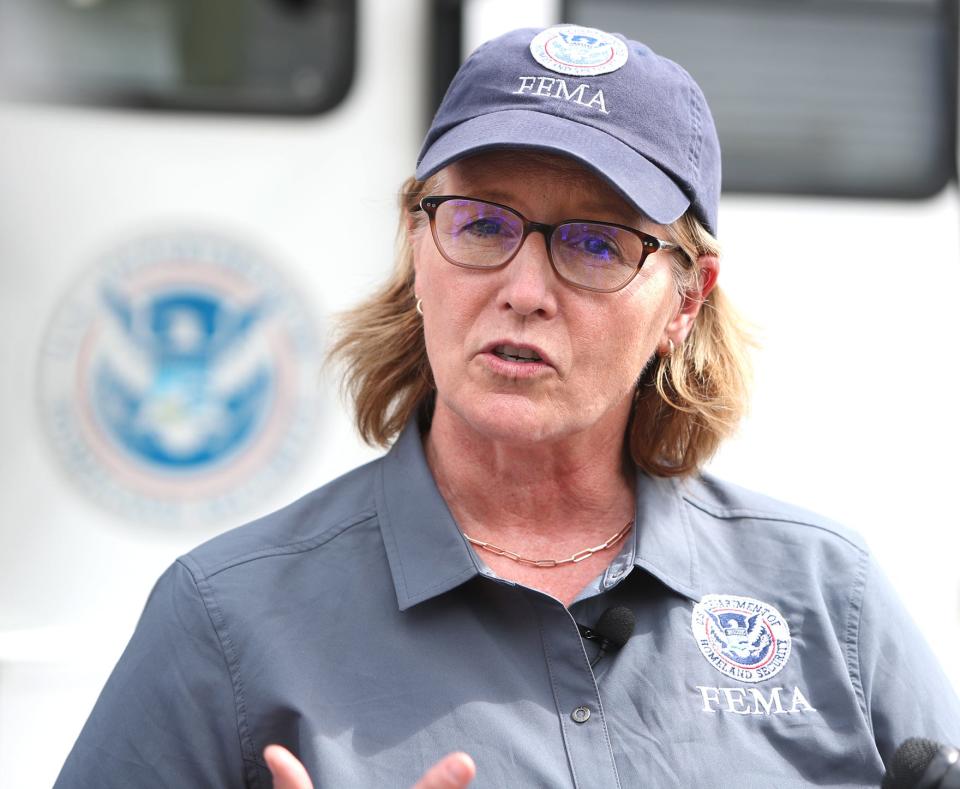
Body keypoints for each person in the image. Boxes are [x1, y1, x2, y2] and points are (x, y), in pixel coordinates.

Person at [55, 24, 960, 789]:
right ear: (419, 247)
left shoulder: (824, 596)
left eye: (596, 244)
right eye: (482, 224)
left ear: (686, 300)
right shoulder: (226, 617)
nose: (525, 290)